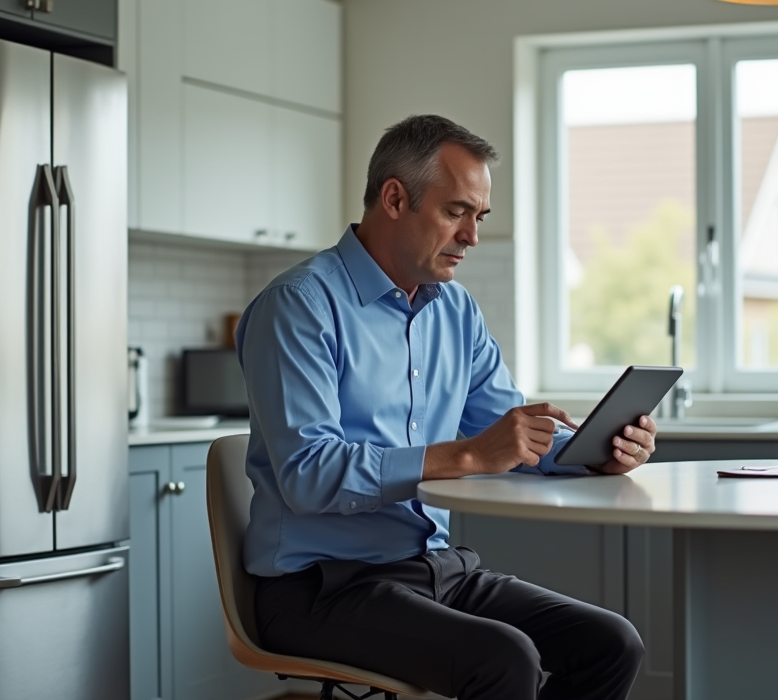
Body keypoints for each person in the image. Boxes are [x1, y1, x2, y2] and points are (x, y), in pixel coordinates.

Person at [236, 114, 657, 700]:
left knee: (612, 642)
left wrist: (596, 453)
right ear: (394, 198)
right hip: (320, 586)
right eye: (456, 211)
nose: (472, 237)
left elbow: (509, 434)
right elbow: (309, 475)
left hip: (435, 568)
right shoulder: (299, 306)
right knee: (504, 659)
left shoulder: (455, 313)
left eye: (479, 217)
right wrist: (464, 455)